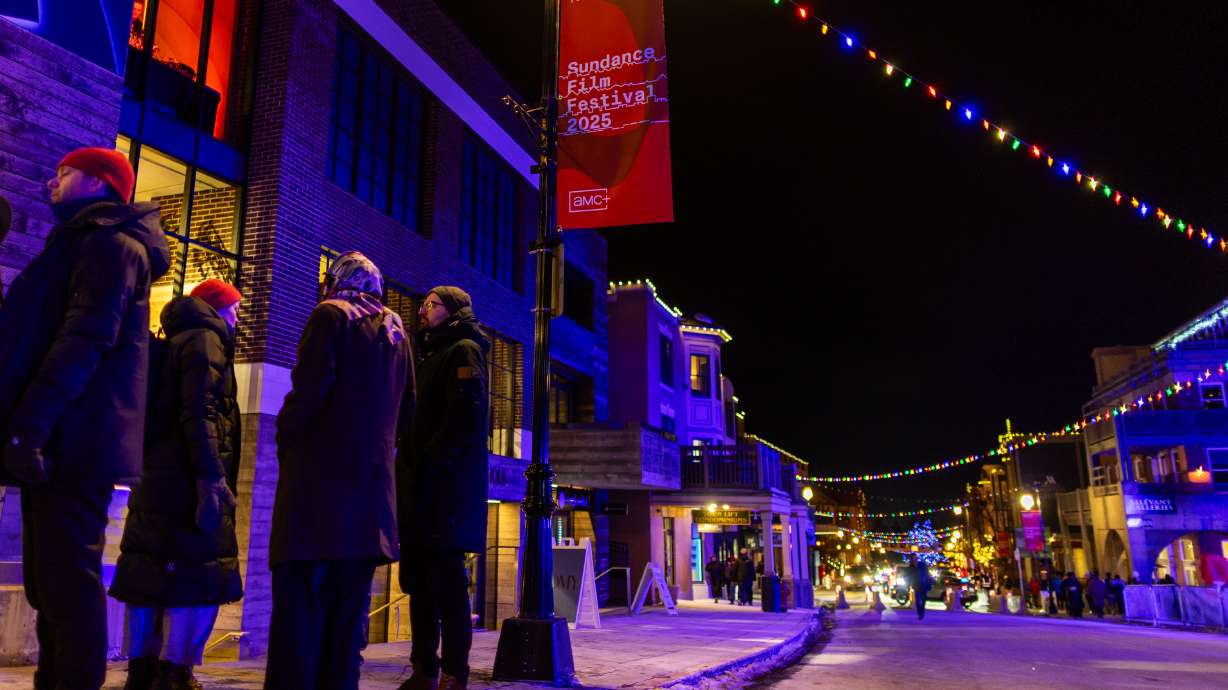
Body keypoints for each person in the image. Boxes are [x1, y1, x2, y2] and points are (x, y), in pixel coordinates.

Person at [0, 147, 169, 689]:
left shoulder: (111, 245)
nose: (53, 180)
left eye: (65, 172)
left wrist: (33, 424)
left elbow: (85, 339)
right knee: (50, 582)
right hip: (62, 436)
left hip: (74, 439)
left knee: (68, 581)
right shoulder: (83, 241)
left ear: (98, 184)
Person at [265, 252, 412, 690]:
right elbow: (408, 412)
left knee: (300, 621)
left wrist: (285, 438)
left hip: (318, 499)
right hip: (370, 507)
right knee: (346, 630)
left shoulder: (331, 315)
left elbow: (309, 392)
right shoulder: (397, 330)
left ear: (333, 282)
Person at [110, 281, 244, 690]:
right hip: (189, 483)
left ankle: (143, 670)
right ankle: (174, 673)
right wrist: (211, 477)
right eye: (235, 308)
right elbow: (200, 412)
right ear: (217, 308)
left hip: (157, 479)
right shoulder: (206, 341)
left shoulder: (175, 340)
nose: (238, 317)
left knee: (151, 577)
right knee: (195, 582)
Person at [397, 286, 487, 690]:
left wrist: (432, 462)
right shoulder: (430, 352)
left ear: (451, 311)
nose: (421, 310)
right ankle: (423, 669)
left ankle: (454, 673)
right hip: (420, 488)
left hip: (444, 491)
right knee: (418, 585)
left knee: (448, 590)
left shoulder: (463, 350)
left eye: (430, 304)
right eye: (423, 304)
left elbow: (464, 418)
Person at [911, 555, 930, 620]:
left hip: (923, 585)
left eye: (915, 558)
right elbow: (910, 576)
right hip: (916, 586)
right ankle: (920, 614)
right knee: (918, 601)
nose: (914, 560)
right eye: (913, 559)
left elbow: (926, 575)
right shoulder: (912, 566)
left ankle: (921, 614)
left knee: (923, 601)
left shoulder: (921, 565)